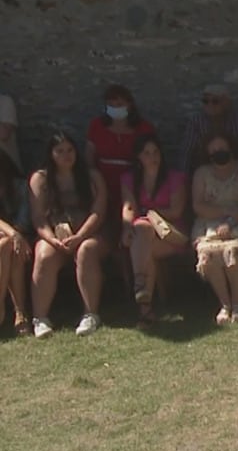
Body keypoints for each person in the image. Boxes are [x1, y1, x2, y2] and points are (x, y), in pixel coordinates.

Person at [27, 132, 108, 338]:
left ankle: (90, 313)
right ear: (51, 154)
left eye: (70, 150)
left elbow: (98, 212)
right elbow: (38, 217)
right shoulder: (41, 179)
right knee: (44, 255)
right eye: (60, 151)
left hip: (88, 233)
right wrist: (51, 239)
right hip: (55, 234)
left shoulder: (91, 176)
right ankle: (40, 318)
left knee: (86, 251)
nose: (66, 155)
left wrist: (80, 236)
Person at [190, 133, 238, 323]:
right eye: (214, 151)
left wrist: (230, 221)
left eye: (222, 149)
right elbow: (198, 205)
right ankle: (225, 304)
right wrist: (223, 212)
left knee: (232, 251)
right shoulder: (202, 173)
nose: (219, 153)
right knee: (208, 253)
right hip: (208, 224)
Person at [122, 134, 188, 327]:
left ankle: (140, 288)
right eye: (147, 153)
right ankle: (145, 306)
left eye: (156, 152)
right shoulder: (129, 179)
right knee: (143, 241)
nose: (152, 157)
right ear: (139, 157)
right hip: (143, 237)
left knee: (141, 234)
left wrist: (150, 213)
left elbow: (176, 210)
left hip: (171, 233)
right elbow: (128, 208)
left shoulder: (175, 178)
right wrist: (126, 226)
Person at [84, 84, 156, 236]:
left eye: (120, 104)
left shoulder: (143, 128)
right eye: (111, 104)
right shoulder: (97, 126)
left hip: (132, 181)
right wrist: (92, 179)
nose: (115, 107)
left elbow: (151, 154)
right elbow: (89, 155)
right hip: (103, 180)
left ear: (129, 105)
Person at [179, 83, 238, 173]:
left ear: (227, 102)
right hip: (205, 170)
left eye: (215, 101)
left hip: (235, 169)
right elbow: (187, 151)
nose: (210, 105)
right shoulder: (196, 121)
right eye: (205, 101)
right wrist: (182, 179)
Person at [0, 152, 28, 335]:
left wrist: (16, 234)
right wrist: (13, 234)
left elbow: (26, 219)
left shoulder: (20, 187)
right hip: (9, 236)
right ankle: (18, 312)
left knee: (10, 247)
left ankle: (17, 311)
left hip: (21, 236)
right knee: (7, 244)